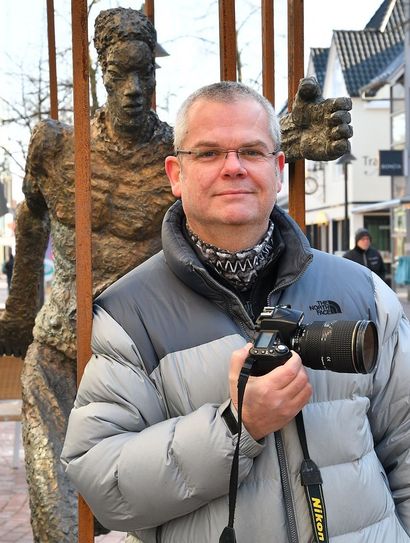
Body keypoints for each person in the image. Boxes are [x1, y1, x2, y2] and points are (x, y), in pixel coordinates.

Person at [61, 82, 410, 543]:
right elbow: (103, 483)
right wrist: (235, 427)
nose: (233, 167)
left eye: (252, 150)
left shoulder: (361, 288)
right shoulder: (131, 313)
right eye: (207, 153)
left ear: (279, 168)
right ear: (175, 174)